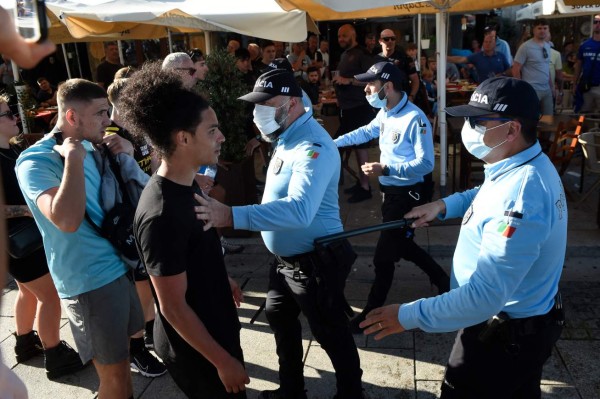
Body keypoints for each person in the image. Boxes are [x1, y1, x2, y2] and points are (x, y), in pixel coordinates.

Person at [361, 77, 566, 399]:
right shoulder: (517, 163)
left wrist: (406, 315)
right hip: (514, 327)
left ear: (512, 130)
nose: (468, 128)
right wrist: (444, 205)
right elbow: (487, 191)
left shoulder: (523, 195)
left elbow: (484, 296)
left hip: (501, 334)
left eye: (478, 121)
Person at [196, 68, 365, 399]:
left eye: (266, 104)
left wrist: (230, 214)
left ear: (291, 103)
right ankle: (291, 391)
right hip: (285, 261)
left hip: (316, 261)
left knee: (330, 332)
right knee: (279, 317)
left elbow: (300, 209)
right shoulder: (285, 136)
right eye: (256, 105)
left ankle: (351, 394)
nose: (258, 112)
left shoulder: (313, 144)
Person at [117, 61, 250, 398]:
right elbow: (173, 308)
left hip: (212, 325)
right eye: (212, 130)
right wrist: (223, 362)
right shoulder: (161, 213)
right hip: (199, 351)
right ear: (183, 138)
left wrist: (220, 278)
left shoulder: (186, 184)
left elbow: (190, 251)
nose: (221, 137)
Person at [16, 79, 145, 398]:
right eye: (102, 113)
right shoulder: (36, 161)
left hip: (119, 267)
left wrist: (125, 154)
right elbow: (65, 220)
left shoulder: (94, 144)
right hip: (88, 282)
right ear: (72, 117)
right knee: (113, 381)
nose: (110, 120)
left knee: (123, 373)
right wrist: (73, 160)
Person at [334, 62, 449, 332]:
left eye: (370, 86)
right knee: (402, 244)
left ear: (387, 87)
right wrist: (333, 142)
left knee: (383, 257)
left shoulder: (415, 118)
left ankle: (369, 316)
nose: (366, 91)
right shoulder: (385, 113)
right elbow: (366, 131)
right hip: (391, 193)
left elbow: (426, 164)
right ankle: (443, 281)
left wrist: (385, 168)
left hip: (408, 194)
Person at [1, 93, 85, 380]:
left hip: (19, 243)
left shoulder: (10, 150)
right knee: (50, 296)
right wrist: (28, 208)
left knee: (28, 291)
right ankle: (54, 353)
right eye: (7, 113)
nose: (15, 116)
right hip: (18, 241)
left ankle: (25, 343)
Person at [105, 78, 167, 379]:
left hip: (147, 209)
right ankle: (140, 347)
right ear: (122, 103)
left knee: (149, 281)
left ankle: (155, 333)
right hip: (128, 219)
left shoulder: (137, 130)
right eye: (136, 101)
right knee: (141, 283)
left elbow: (153, 164)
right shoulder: (112, 136)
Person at [334, 24, 376, 203]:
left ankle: (365, 187)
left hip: (360, 108)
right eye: (339, 36)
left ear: (353, 35)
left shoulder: (362, 54)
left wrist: (348, 81)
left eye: (344, 35)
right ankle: (362, 184)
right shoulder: (344, 54)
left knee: (359, 148)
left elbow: (371, 78)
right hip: (347, 109)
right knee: (343, 147)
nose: (341, 39)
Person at [513, 19, 553, 117]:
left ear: (548, 30)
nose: (542, 31)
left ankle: (545, 133)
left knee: (548, 120)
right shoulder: (525, 47)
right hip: (532, 89)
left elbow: (546, 67)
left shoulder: (548, 46)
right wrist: (520, 87)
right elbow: (516, 68)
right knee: (530, 118)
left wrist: (552, 87)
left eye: (545, 28)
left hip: (546, 90)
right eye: (539, 28)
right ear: (533, 30)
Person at [447, 34, 511, 83]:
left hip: (499, 87)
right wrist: (443, 58)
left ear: (494, 45)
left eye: (490, 42)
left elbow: (510, 70)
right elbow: (461, 59)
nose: (487, 44)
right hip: (483, 89)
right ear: (483, 44)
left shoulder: (501, 56)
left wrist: (503, 74)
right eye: (485, 42)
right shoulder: (477, 56)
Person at [573, 14, 600, 113]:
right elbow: (578, 65)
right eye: (595, 22)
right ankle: (581, 129)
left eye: (599, 22)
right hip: (586, 87)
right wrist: (574, 83)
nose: (597, 24)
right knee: (583, 116)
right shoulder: (584, 45)